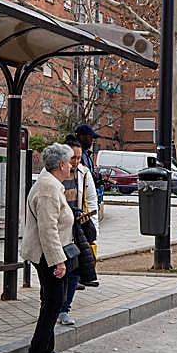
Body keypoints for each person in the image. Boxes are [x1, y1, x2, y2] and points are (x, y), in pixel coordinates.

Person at [19, 143, 76, 353]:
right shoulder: (48, 188)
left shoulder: (51, 184)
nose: (72, 165)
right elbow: (47, 229)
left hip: (51, 253)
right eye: (70, 161)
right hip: (47, 255)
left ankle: (47, 351)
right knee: (53, 303)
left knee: (52, 301)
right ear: (61, 164)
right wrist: (58, 262)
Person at [59, 136, 99, 327]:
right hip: (58, 228)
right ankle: (54, 306)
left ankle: (65, 308)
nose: (76, 162)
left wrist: (91, 226)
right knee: (58, 270)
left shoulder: (83, 173)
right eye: (73, 158)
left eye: (79, 158)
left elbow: (91, 200)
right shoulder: (53, 174)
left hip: (76, 227)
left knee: (75, 268)